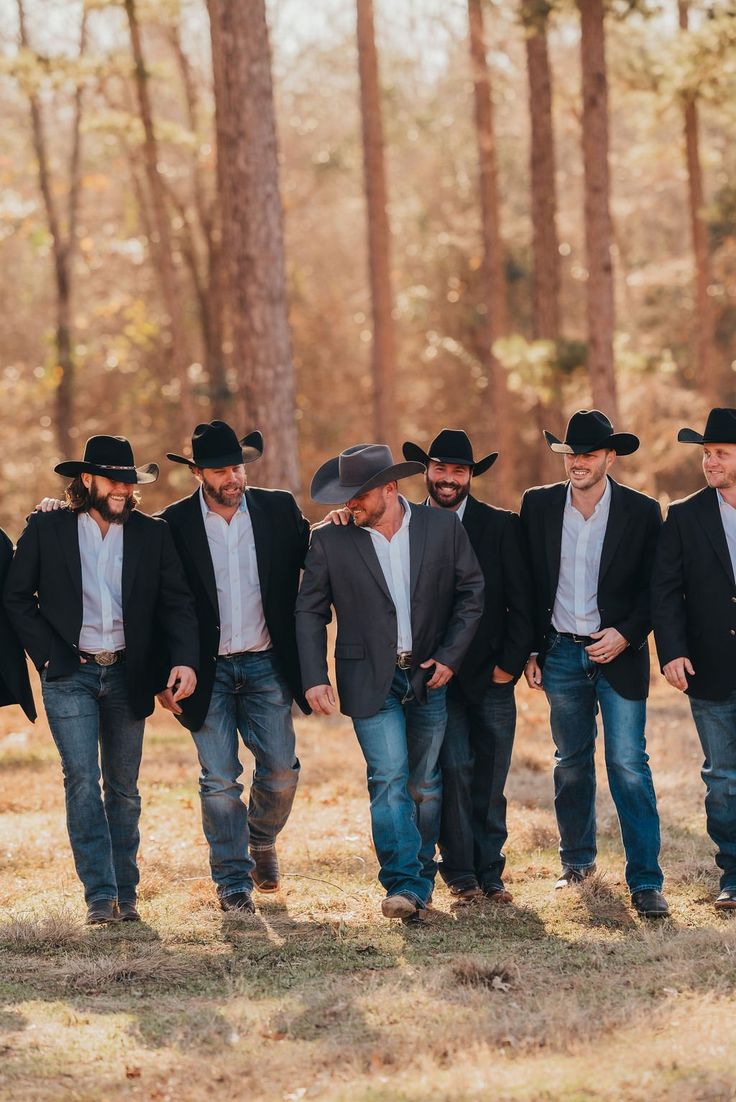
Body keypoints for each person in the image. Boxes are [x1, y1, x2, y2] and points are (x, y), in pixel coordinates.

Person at [4, 435, 198, 925]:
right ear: (86, 479)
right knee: (82, 782)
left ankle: (126, 894)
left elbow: (176, 602)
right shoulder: (47, 528)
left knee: (124, 788)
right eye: (113, 479)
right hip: (70, 674)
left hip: (128, 674)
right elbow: (17, 598)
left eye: (129, 481)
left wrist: (185, 660)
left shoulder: (152, 534)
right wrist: (48, 657)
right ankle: (98, 894)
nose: (122, 489)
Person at [295, 443, 484, 923]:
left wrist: (450, 656)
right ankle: (403, 883)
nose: (349, 504)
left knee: (425, 783)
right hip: (366, 678)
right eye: (346, 497)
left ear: (389, 489)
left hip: (428, 676)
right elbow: (310, 611)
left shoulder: (442, 528)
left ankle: (417, 881)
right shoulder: (331, 538)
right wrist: (314, 677)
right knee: (389, 779)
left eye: (358, 496)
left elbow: (471, 592)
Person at [520, 410, 668, 919]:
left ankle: (646, 882)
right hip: (560, 652)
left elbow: (659, 590)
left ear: (610, 457)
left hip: (619, 655)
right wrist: (532, 650)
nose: (578, 462)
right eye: (571, 454)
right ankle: (577, 866)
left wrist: (626, 634)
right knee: (571, 764)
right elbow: (526, 584)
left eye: (588, 454)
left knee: (628, 765)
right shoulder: (537, 506)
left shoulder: (642, 512)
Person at [157, 421, 309, 914]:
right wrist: (168, 667)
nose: (232, 478)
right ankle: (232, 882)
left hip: (267, 661)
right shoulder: (172, 524)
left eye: (237, 467)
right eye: (220, 470)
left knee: (282, 770)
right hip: (207, 670)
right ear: (198, 472)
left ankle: (260, 838)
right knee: (219, 778)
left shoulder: (279, 509)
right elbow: (161, 601)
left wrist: (345, 521)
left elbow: (319, 554)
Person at [400, 428, 534, 903]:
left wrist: (509, 666)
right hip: (438, 677)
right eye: (440, 469)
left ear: (470, 475)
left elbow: (523, 601)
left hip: (492, 674)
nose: (449, 478)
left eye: (458, 470)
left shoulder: (500, 525)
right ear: (427, 472)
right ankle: (460, 872)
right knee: (453, 770)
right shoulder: (406, 526)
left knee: (492, 775)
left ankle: (490, 868)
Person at [652, 408, 736, 910]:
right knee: (723, 776)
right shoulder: (684, 514)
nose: (710, 462)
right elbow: (666, 589)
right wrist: (673, 652)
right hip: (709, 666)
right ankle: (733, 872)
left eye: (721, 454)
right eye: (707, 455)